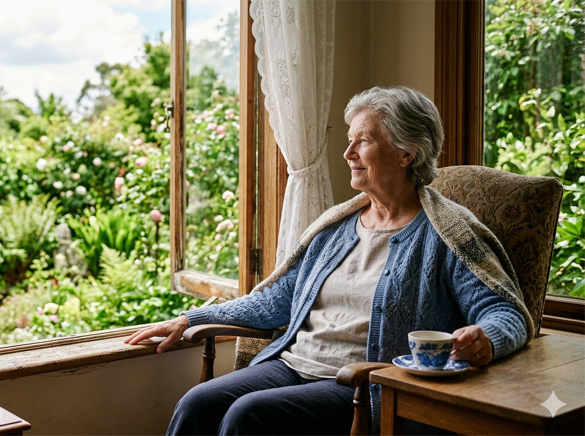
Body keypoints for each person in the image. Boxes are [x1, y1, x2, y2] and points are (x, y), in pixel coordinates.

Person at [125, 86, 532, 435]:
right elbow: (277, 299)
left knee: (248, 417)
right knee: (199, 403)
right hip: (293, 364)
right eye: (350, 140)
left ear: (407, 153)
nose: (348, 152)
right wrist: (191, 319)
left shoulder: (448, 234)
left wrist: (486, 338)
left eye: (363, 141)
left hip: (363, 385)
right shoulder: (337, 227)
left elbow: (506, 312)